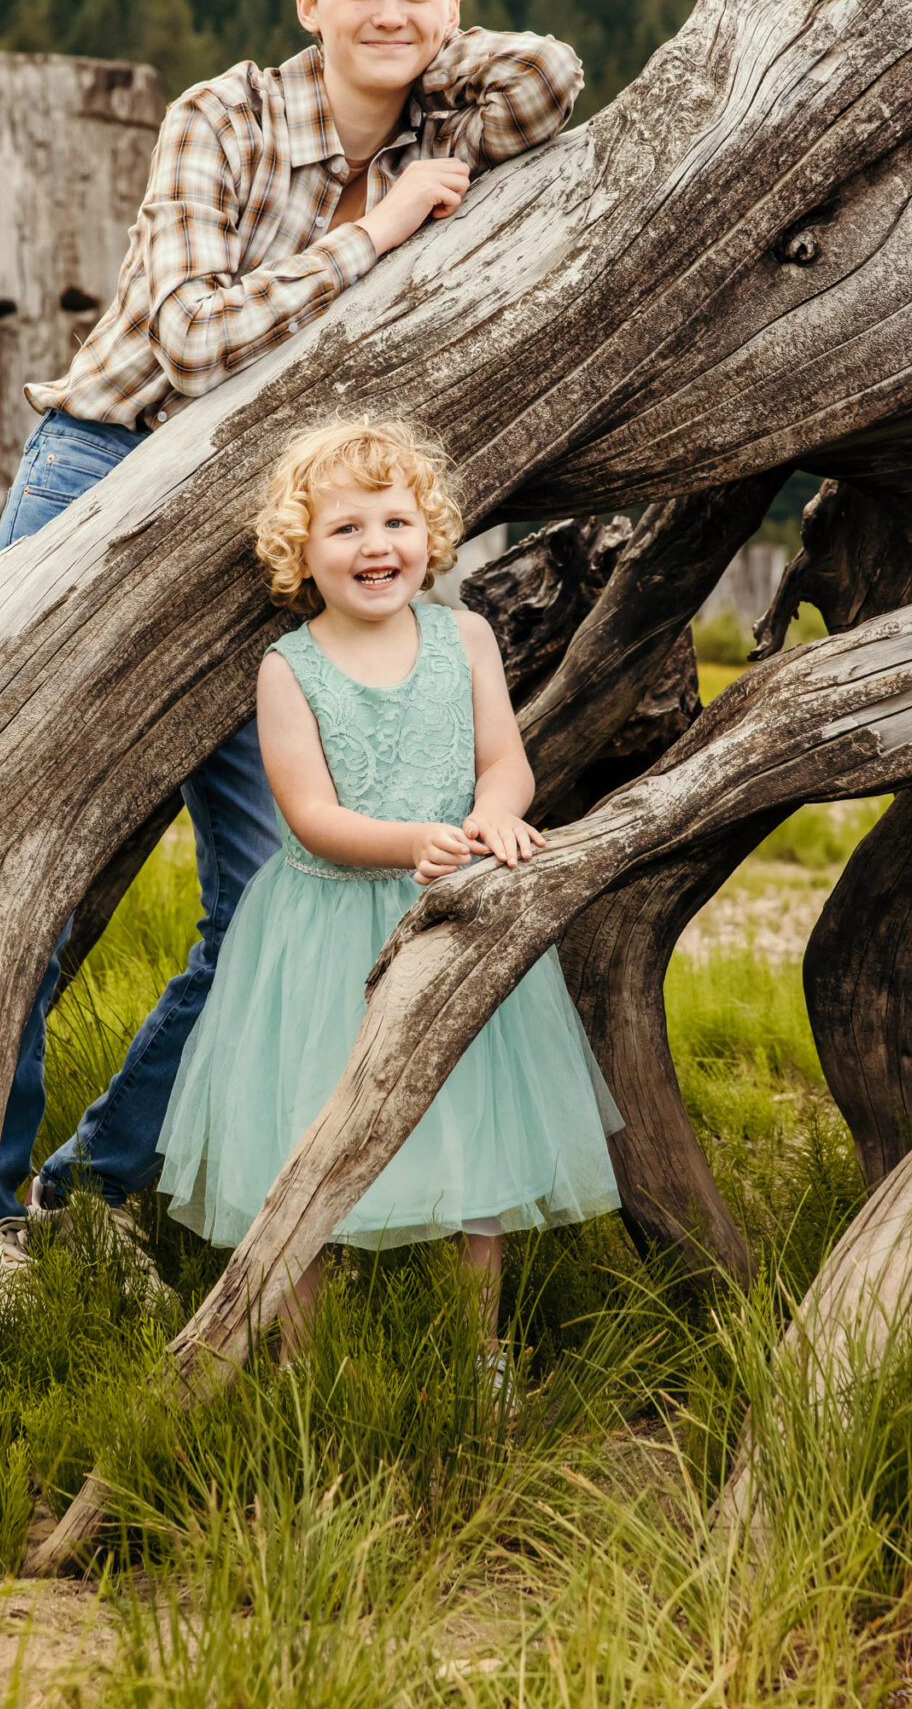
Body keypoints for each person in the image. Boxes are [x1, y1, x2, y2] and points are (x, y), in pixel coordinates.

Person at [0, 0, 585, 1252]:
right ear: (304, 1)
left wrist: (434, 54)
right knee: (28, 862)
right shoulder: (227, 118)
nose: (386, 11)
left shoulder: (442, 113)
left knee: (270, 892)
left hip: (282, 526)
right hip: (113, 476)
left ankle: (98, 1190)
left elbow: (551, 77)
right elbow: (195, 341)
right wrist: (374, 231)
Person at [156, 418, 622, 1353]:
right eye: (346, 529)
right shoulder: (290, 667)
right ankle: (306, 1359)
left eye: (396, 522)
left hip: (452, 916)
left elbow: (507, 762)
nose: (377, 546)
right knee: (310, 1134)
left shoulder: (465, 637)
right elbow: (309, 816)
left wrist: (494, 812)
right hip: (326, 930)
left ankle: (476, 1353)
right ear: (302, 554)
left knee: (475, 1128)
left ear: (431, 534)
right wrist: (416, 838)